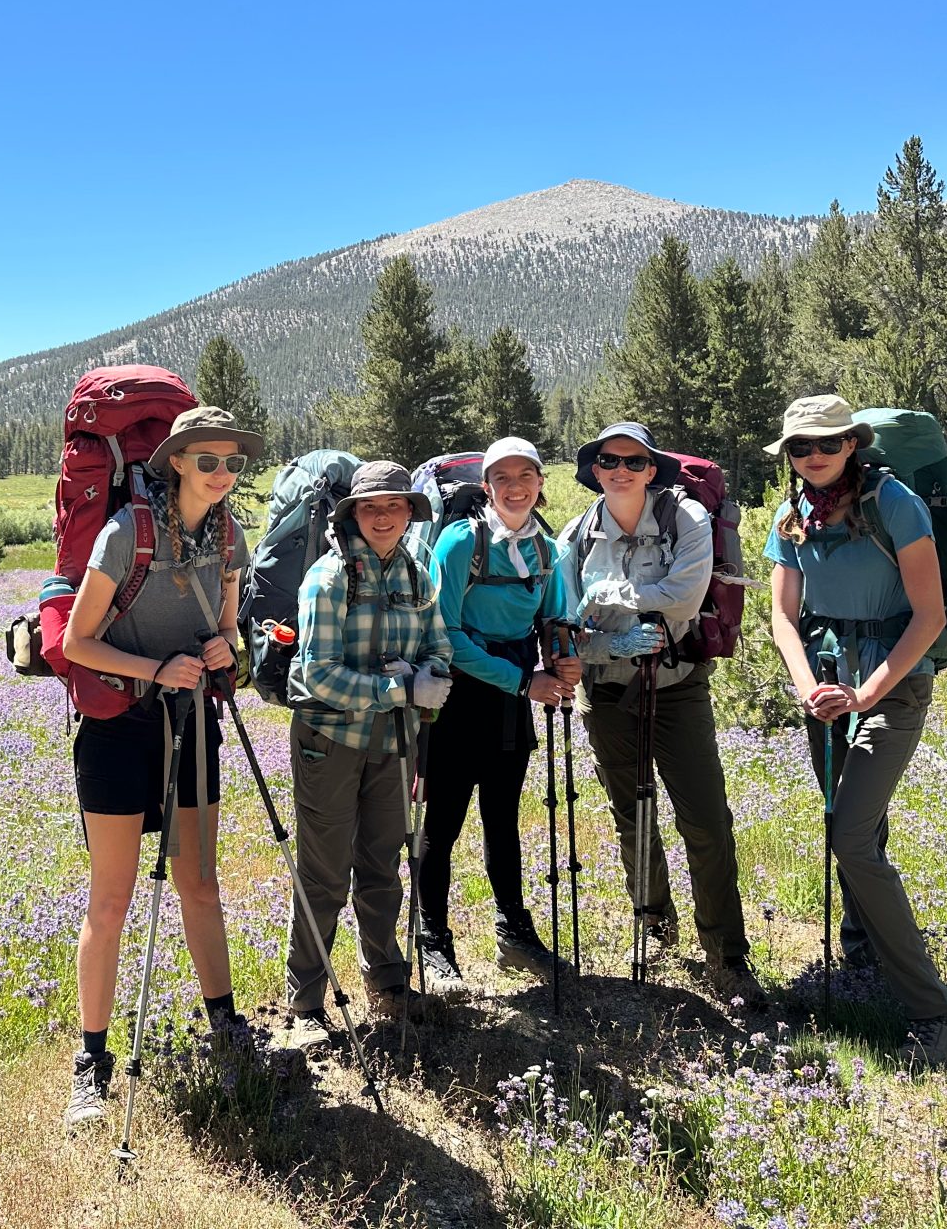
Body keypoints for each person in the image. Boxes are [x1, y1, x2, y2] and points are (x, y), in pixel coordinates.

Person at [59, 405, 260, 1127]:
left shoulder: (230, 536)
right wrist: (157, 669)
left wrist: (222, 653)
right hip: (117, 726)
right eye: (208, 460)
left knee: (199, 884)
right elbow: (80, 642)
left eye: (233, 462)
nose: (222, 473)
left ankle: (226, 1027)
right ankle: (92, 1059)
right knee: (110, 901)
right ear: (176, 461)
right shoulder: (126, 534)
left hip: (190, 723)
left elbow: (230, 630)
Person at [762, 394, 947, 1066]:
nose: (814, 455)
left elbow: (930, 615)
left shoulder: (895, 503)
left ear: (853, 443)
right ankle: (864, 960)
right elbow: (783, 618)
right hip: (825, 687)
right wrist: (809, 690)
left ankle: (938, 1023)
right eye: (800, 447)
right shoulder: (790, 516)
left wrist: (868, 693)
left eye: (827, 443)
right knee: (860, 832)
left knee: (850, 839)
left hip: (893, 687)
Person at [556, 422, 765, 1009]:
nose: (620, 469)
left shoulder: (686, 520)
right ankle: (655, 928)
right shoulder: (575, 536)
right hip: (608, 692)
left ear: (652, 469)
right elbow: (568, 626)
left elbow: (684, 596)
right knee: (632, 815)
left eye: (633, 461)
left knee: (704, 818)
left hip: (678, 687)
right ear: (594, 468)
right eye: (608, 460)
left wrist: (611, 604)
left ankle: (726, 952)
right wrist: (605, 643)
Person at [285, 461, 453, 1047]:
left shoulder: (419, 574)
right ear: (353, 514)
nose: (383, 517)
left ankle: (386, 977)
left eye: (395, 507)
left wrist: (433, 670)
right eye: (371, 508)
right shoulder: (327, 579)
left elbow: (438, 641)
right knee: (325, 873)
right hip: (328, 744)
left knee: (382, 866)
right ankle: (306, 998)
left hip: (392, 744)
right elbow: (315, 676)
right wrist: (400, 690)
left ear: (410, 513)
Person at [417, 436, 581, 992]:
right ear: (486, 487)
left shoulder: (547, 550)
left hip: (516, 697)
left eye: (526, 477)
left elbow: (556, 617)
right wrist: (523, 681)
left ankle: (513, 930)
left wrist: (565, 658)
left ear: (540, 484)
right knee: (441, 826)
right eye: (503, 479)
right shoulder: (461, 542)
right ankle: (432, 940)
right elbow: (446, 635)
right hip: (460, 697)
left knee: (502, 818)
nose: (515, 488)